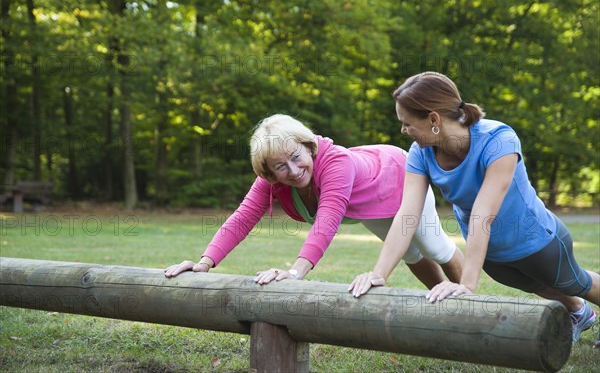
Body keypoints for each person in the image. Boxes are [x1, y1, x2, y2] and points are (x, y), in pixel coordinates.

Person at [349, 72, 600, 347]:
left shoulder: (499, 140)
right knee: (535, 286)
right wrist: (378, 274)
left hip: (537, 241)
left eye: (407, 123)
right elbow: (408, 215)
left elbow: (483, 212)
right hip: (490, 253)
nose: (403, 130)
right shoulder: (420, 153)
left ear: (433, 119)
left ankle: (578, 305)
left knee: (576, 283)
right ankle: (579, 313)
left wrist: (467, 284)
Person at [165, 114, 463, 290]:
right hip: (365, 203)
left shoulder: (336, 164)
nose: (293, 171)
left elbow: (327, 220)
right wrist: (204, 263)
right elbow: (242, 218)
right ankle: (445, 309)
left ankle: (470, 300)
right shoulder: (270, 180)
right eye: (281, 167)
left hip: (397, 176)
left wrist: (294, 274)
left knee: (433, 246)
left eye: (296, 158)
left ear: (309, 146)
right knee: (411, 255)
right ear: (269, 171)